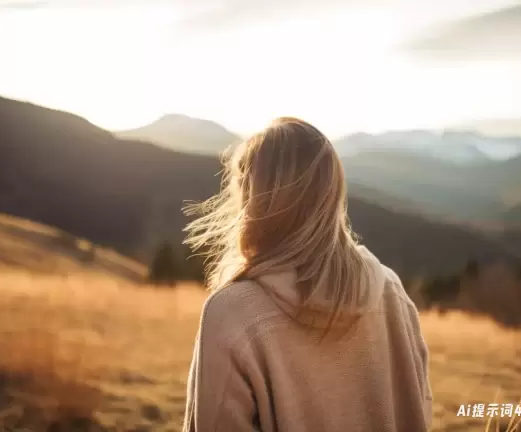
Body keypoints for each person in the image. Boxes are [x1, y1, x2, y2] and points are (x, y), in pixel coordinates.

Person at [182, 117, 433, 432]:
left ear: (251, 198)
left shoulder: (232, 314)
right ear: (331, 194)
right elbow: (419, 406)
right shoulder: (391, 290)